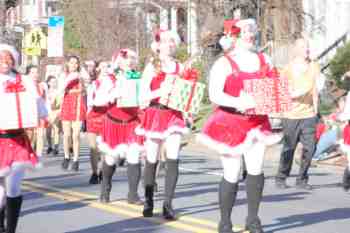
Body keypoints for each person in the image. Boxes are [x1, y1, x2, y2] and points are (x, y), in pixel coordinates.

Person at [197, 19, 281, 233]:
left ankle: (253, 219)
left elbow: (273, 88)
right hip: (230, 123)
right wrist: (239, 102)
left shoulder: (265, 59)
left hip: (257, 122)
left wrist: (277, 102)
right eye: (244, 31)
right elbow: (214, 94)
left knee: (256, 170)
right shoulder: (224, 63)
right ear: (234, 35)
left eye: (252, 30)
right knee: (232, 173)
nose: (250, 34)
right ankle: (225, 221)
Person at [136, 29, 189, 220]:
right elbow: (142, 96)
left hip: (174, 114)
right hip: (155, 113)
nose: (170, 45)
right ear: (158, 45)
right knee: (152, 158)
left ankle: (168, 204)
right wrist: (160, 90)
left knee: (173, 157)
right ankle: (149, 199)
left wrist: (188, 106)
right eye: (166, 41)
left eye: (172, 42)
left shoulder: (180, 67)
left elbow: (185, 93)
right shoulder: (152, 66)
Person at [0, 41, 46, 233]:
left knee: (13, 185)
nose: (5, 62)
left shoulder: (25, 80)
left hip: (18, 139)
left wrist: (44, 115)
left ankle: (11, 229)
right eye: (1, 58)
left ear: (14, 61)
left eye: (8, 58)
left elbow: (37, 102)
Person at [95, 49, 143, 205]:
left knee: (134, 157)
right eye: (125, 58)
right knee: (110, 158)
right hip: (114, 122)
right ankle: (105, 187)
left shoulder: (138, 77)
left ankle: (133, 194)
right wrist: (113, 94)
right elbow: (98, 101)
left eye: (132, 58)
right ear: (118, 62)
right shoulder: (110, 79)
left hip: (132, 122)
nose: (129, 61)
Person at [275, 38, 320, 190]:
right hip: (291, 115)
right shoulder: (287, 69)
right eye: (303, 47)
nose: (306, 49)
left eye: (307, 46)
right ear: (296, 50)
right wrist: (296, 94)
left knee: (310, 147)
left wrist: (316, 111)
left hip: (308, 115)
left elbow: (315, 91)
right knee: (289, 148)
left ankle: (302, 179)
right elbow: (282, 93)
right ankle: (281, 177)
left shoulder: (314, 66)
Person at [58, 55, 87, 171]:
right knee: (67, 134)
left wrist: (80, 87)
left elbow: (85, 89)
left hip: (78, 106)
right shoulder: (63, 76)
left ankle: (76, 159)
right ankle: (66, 156)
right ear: (67, 64)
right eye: (71, 62)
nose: (74, 65)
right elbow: (61, 89)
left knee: (76, 135)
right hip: (67, 105)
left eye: (76, 63)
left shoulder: (81, 76)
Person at [86, 61, 108, 184]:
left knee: (105, 147)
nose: (106, 69)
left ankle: (103, 172)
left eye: (108, 67)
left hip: (107, 115)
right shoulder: (93, 84)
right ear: (98, 69)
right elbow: (90, 102)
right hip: (94, 115)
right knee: (93, 147)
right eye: (104, 66)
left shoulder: (113, 84)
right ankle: (94, 172)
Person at [25, 65, 48, 158]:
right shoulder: (24, 85)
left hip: (40, 114)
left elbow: (45, 100)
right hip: (28, 113)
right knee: (30, 136)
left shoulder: (42, 85)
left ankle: (38, 155)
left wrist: (47, 113)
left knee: (40, 135)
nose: (35, 74)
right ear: (28, 74)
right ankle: (28, 152)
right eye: (32, 72)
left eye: (36, 72)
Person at [46, 75, 61, 156]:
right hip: (47, 113)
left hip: (56, 112)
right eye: (52, 82)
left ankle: (56, 147)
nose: (54, 83)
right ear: (48, 83)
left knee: (56, 130)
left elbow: (60, 103)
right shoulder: (46, 91)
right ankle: (49, 145)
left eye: (55, 82)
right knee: (48, 132)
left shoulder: (58, 91)